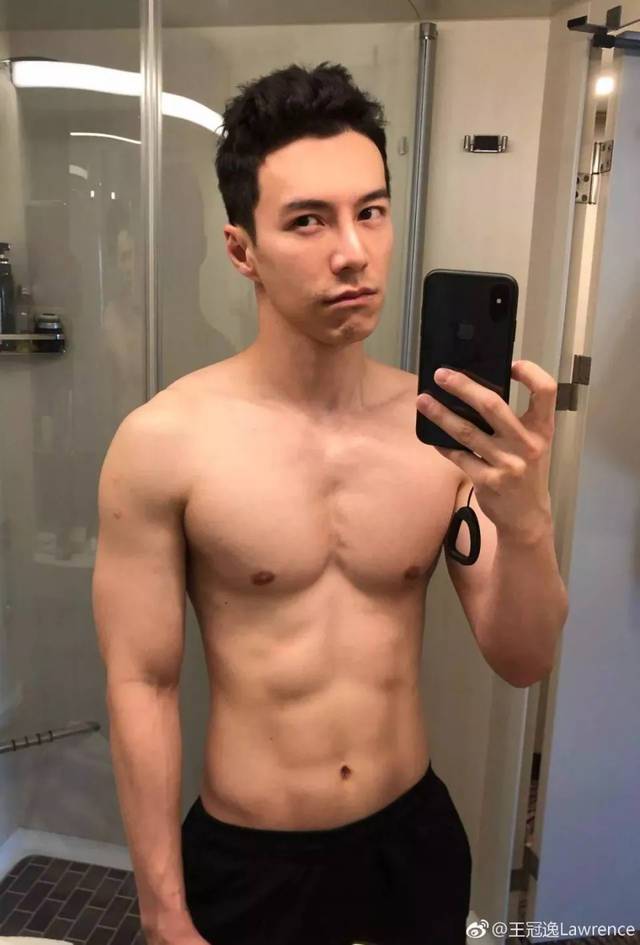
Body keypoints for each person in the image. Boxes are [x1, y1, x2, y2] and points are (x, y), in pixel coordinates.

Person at [93, 62, 567, 945]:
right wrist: (163, 913)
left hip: (412, 844)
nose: (352, 251)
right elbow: (142, 683)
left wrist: (530, 521)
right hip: (251, 861)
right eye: (307, 220)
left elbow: (524, 658)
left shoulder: (441, 433)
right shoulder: (164, 443)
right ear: (242, 249)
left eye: (371, 211)